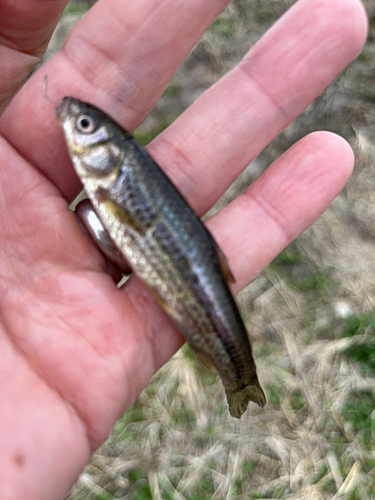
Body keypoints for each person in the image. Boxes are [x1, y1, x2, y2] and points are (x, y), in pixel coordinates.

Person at [0, 0, 367, 498]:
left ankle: (241, 378)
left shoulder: (114, 176)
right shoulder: (110, 174)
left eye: (86, 128)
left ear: (110, 155)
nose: (73, 124)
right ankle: (240, 377)